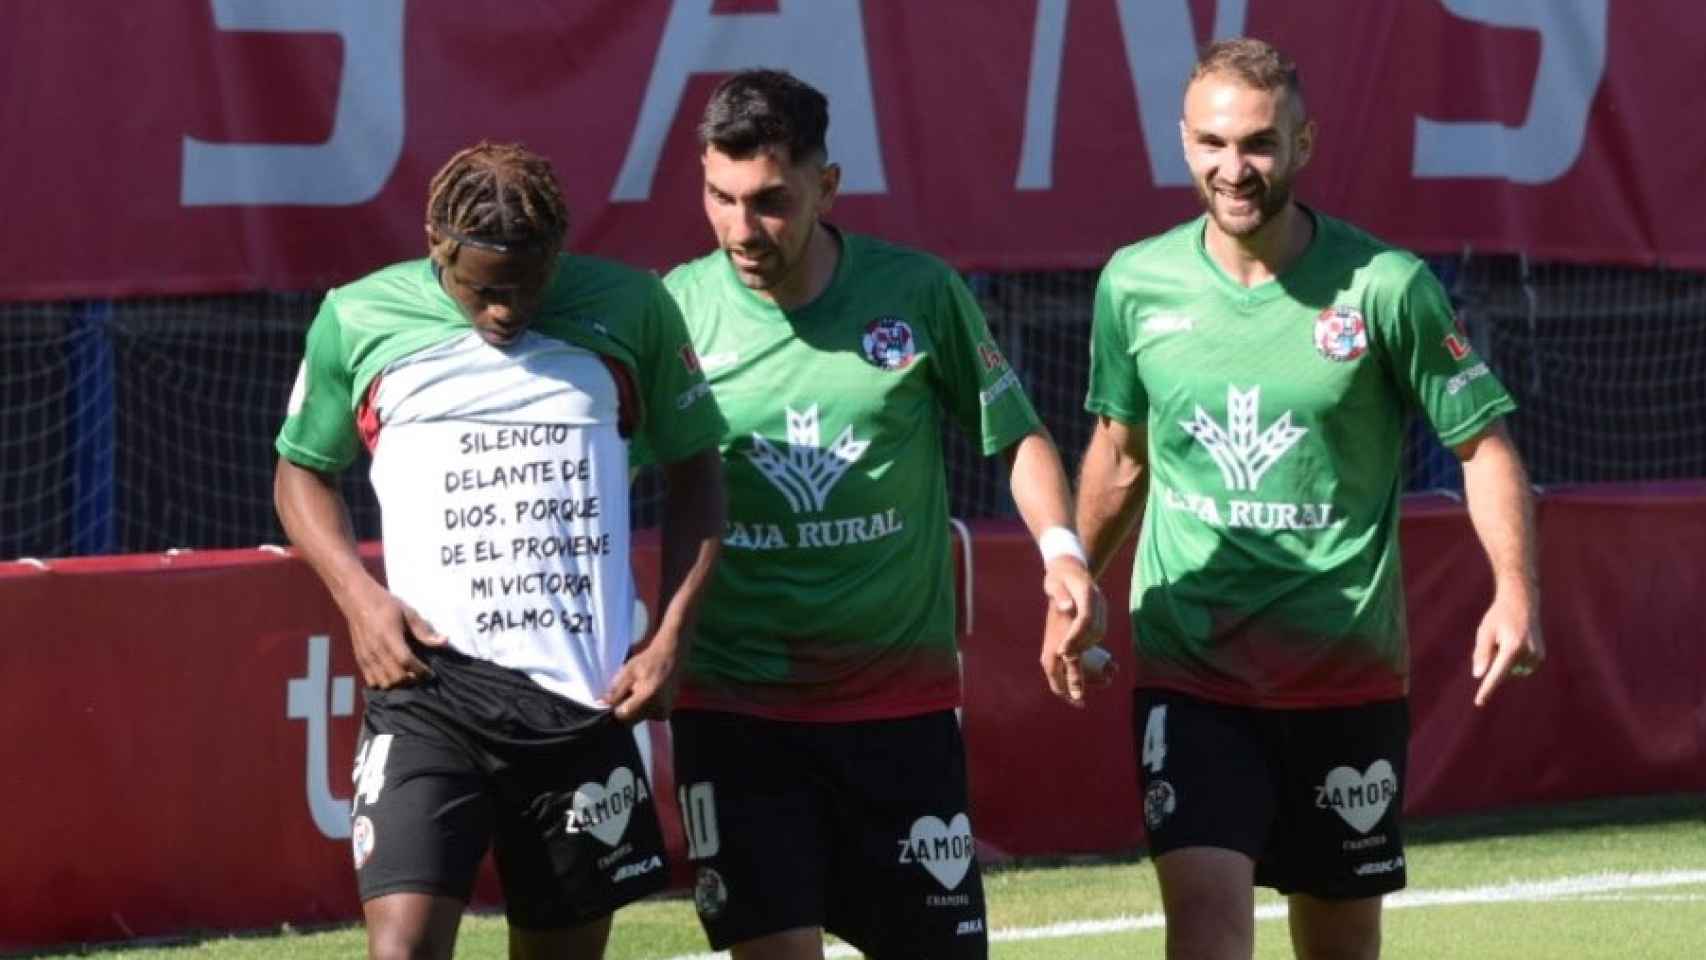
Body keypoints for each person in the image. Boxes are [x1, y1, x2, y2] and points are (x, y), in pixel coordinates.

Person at [1071, 38, 1545, 959]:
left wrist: (1516, 590)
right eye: (1212, 144)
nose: (1233, 168)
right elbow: (1120, 455)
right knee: (1207, 929)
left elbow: (1483, 445)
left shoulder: (1388, 288)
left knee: (1340, 945)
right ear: (1183, 143)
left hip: (1346, 673)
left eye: (1258, 144)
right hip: (1192, 668)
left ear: (1304, 143)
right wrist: (1072, 581)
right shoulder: (1134, 284)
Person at [660, 69, 1108, 959]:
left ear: (827, 187)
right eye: (720, 197)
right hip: (738, 707)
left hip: (897, 714)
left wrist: (1062, 553)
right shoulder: (669, 309)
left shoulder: (918, 293)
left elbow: (1017, 436)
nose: (741, 229)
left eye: (770, 202)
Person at [272, 141, 725, 960]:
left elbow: (698, 472)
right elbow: (301, 474)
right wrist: (359, 598)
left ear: (560, 254)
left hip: (580, 709)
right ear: (437, 250)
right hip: (426, 693)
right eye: (482, 291)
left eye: (527, 287)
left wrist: (671, 639)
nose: (505, 313)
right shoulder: (358, 316)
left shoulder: (633, 308)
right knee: (400, 952)